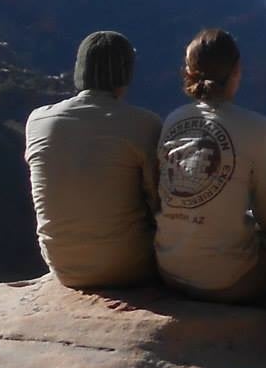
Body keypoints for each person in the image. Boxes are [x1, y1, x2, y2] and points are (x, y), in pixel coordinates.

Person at [155, 28, 266, 304]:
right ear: (236, 71)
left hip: (169, 269)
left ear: (189, 72)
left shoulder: (173, 120)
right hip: (226, 280)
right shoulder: (259, 129)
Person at [23, 31, 162, 288]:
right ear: (126, 73)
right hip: (130, 265)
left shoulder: (38, 120)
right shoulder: (144, 124)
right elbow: (159, 201)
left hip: (63, 265)